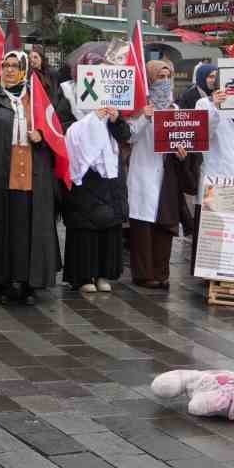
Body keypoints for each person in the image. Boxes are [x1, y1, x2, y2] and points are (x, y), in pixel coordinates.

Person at [0, 50, 57, 303]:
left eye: (14, 65)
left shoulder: (36, 98)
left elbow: (52, 129)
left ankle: (28, 282)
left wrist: (41, 134)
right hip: (1, 172)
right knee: (3, 224)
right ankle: (4, 281)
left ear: (24, 69)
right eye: (5, 65)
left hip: (31, 172)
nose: (8, 69)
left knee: (27, 227)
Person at [58, 81, 129, 295]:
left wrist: (115, 119)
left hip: (109, 173)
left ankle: (103, 274)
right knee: (84, 225)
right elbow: (63, 128)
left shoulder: (112, 97)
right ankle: (82, 275)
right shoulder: (69, 95)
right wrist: (92, 120)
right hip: (84, 171)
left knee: (109, 223)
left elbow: (124, 135)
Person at [130, 60, 197, 289]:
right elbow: (128, 138)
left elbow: (185, 140)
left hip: (167, 177)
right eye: (160, 76)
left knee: (165, 225)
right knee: (144, 228)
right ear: (150, 79)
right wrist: (144, 118)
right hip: (143, 173)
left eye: (168, 76)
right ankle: (144, 273)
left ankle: (161, 272)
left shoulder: (175, 111)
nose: (165, 81)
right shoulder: (140, 108)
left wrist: (182, 153)